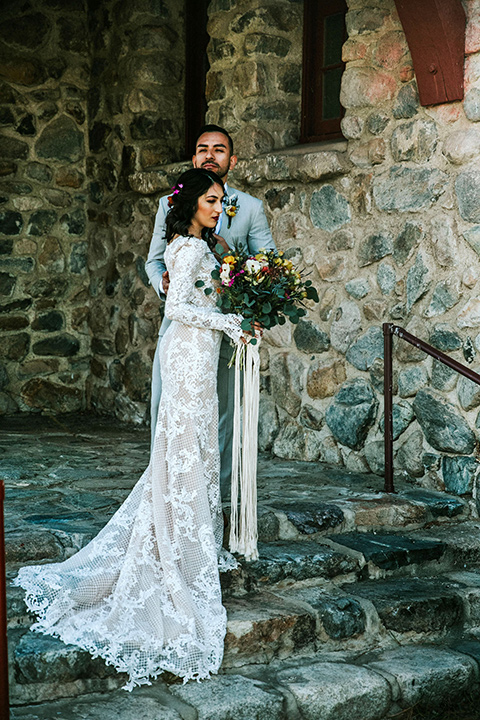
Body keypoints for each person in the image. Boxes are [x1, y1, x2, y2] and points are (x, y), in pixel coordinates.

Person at [13, 168, 251, 690]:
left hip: (197, 353)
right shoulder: (187, 249)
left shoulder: (202, 245)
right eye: (212, 201)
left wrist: (239, 305)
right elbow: (179, 306)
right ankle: (178, 547)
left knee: (195, 446)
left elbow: (204, 297)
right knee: (185, 445)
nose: (218, 207)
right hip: (187, 351)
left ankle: (193, 538)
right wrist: (229, 322)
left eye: (221, 201)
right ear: (190, 204)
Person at [146, 124, 275, 499]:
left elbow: (267, 264)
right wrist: (164, 283)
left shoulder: (249, 208)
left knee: (220, 420)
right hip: (181, 327)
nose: (210, 155)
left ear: (231, 160)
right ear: (193, 158)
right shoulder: (169, 204)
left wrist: (240, 277)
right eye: (202, 148)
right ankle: (169, 498)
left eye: (219, 150)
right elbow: (154, 262)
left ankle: (212, 502)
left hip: (225, 333)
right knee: (164, 411)